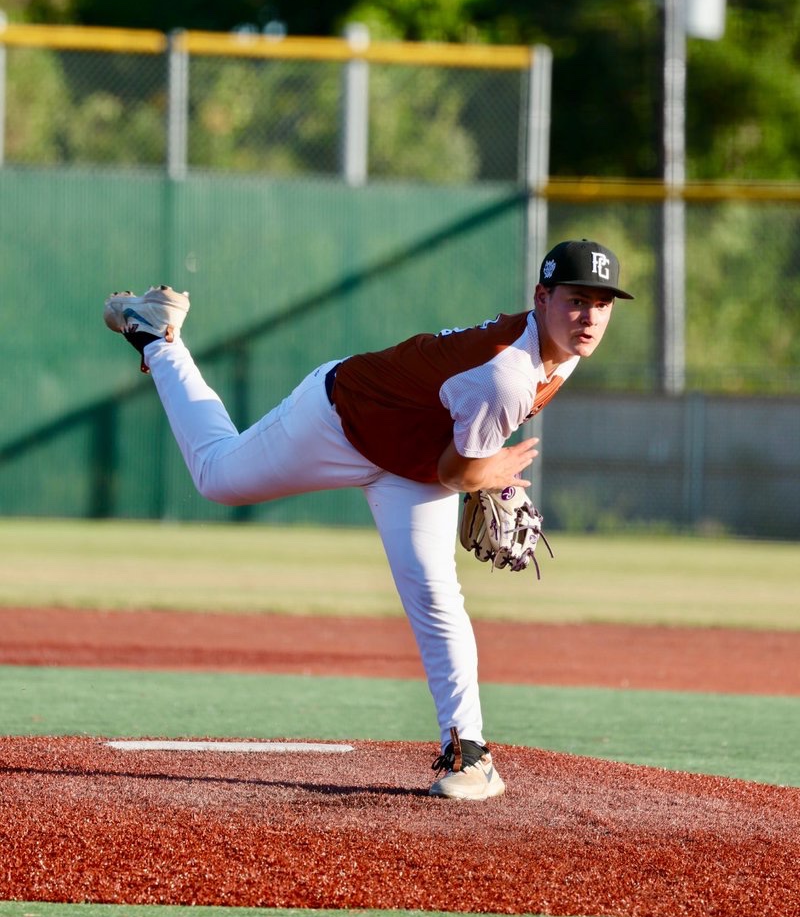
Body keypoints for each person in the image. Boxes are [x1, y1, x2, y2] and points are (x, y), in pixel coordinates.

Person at [104, 238, 633, 801]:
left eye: (602, 304)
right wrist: (493, 473)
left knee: (435, 595)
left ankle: (470, 755)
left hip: (413, 464)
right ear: (542, 298)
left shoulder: (564, 354)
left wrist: (489, 470)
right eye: (577, 300)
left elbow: (460, 447)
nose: (590, 317)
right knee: (216, 476)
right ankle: (156, 336)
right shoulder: (508, 371)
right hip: (340, 418)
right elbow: (460, 472)